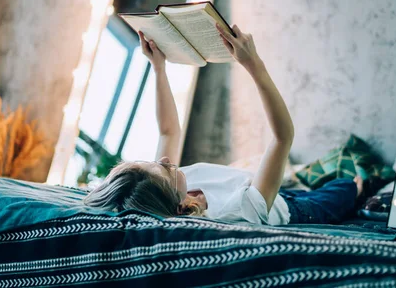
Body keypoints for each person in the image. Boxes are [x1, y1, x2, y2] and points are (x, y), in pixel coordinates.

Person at [84, 24, 363, 225]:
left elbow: (168, 130)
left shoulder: (165, 189)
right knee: (349, 186)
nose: (167, 160)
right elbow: (282, 137)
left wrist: (158, 68)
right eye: (166, 169)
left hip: (257, 184)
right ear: (180, 207)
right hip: (294, 208)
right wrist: (254, 64)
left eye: (155, 162)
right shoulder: (237, 212)